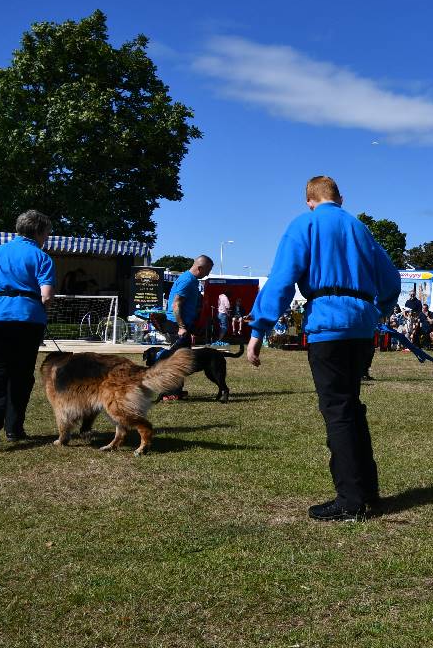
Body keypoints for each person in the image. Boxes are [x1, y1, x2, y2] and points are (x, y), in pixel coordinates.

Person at [246, 176, 400, 522]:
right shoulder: (361, 228)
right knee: (352, 406)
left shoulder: (305, 224)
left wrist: (259, 328)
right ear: (340, 199)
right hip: (362, 328)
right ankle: (367, 490)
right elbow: (391, 280)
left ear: (309, 201)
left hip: (327, 326)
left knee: (338, 410)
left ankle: (350, 500)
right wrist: (379, 311)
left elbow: (282, 279)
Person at [0, 210, 56, 448]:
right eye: (47, 233)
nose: (46, 238)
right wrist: (40, 308)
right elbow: (46, 295)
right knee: (20, 374)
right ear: (39, 231)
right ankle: (13, 428)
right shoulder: (42, 257)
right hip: (26, 319)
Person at [156, 255, 214, 400]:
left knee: (182, 360)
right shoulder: (187, 280)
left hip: (184, 324)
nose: (208, 273)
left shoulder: (192, 280)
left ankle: (176, 391)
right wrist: (181, 327)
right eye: (208, 270)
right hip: (177, 325)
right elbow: (176, 305)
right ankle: (170, 393)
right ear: (200, 268)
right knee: (177, 361)